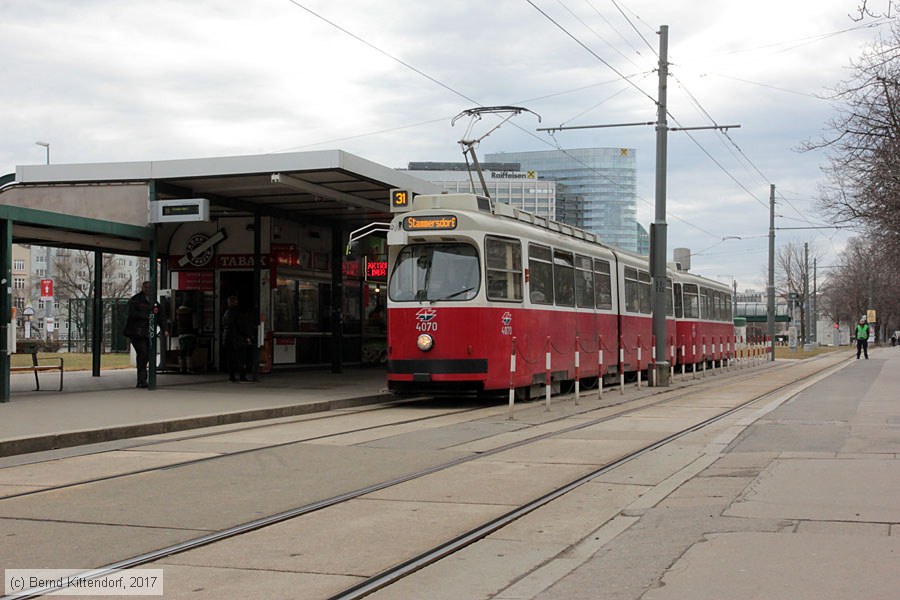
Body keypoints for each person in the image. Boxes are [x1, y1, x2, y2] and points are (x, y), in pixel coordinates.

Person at [124, 281, 155, 388]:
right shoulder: (135, 300)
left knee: (146, 354)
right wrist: (147, 316)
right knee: (143, 353)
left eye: (150, 287)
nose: (148, 289)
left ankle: (143, 379)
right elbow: (131, 313)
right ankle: (142, 380)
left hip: (147, 332)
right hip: (136, 332)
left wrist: (164, 328)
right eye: (146, 287)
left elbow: (159, 314)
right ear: (142, 288)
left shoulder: (153, 300)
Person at [222, 295, 252, 382]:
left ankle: (231, 376)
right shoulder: (238, 314)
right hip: (238, 339)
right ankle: (242, 376)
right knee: (241, 359)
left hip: (227, 339)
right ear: (235, 302)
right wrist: (248, 336)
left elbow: (223, 325)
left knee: (230, 359)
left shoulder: (226, 314)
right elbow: (242, 327)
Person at [175, 304, 198, 374]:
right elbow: (195, 325)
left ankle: (182, 367)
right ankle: (189, 368)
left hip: (181, 335)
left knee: (182, 351)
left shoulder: (178, 314)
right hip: (190, 334)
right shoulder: (192, 313)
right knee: (189, 352)